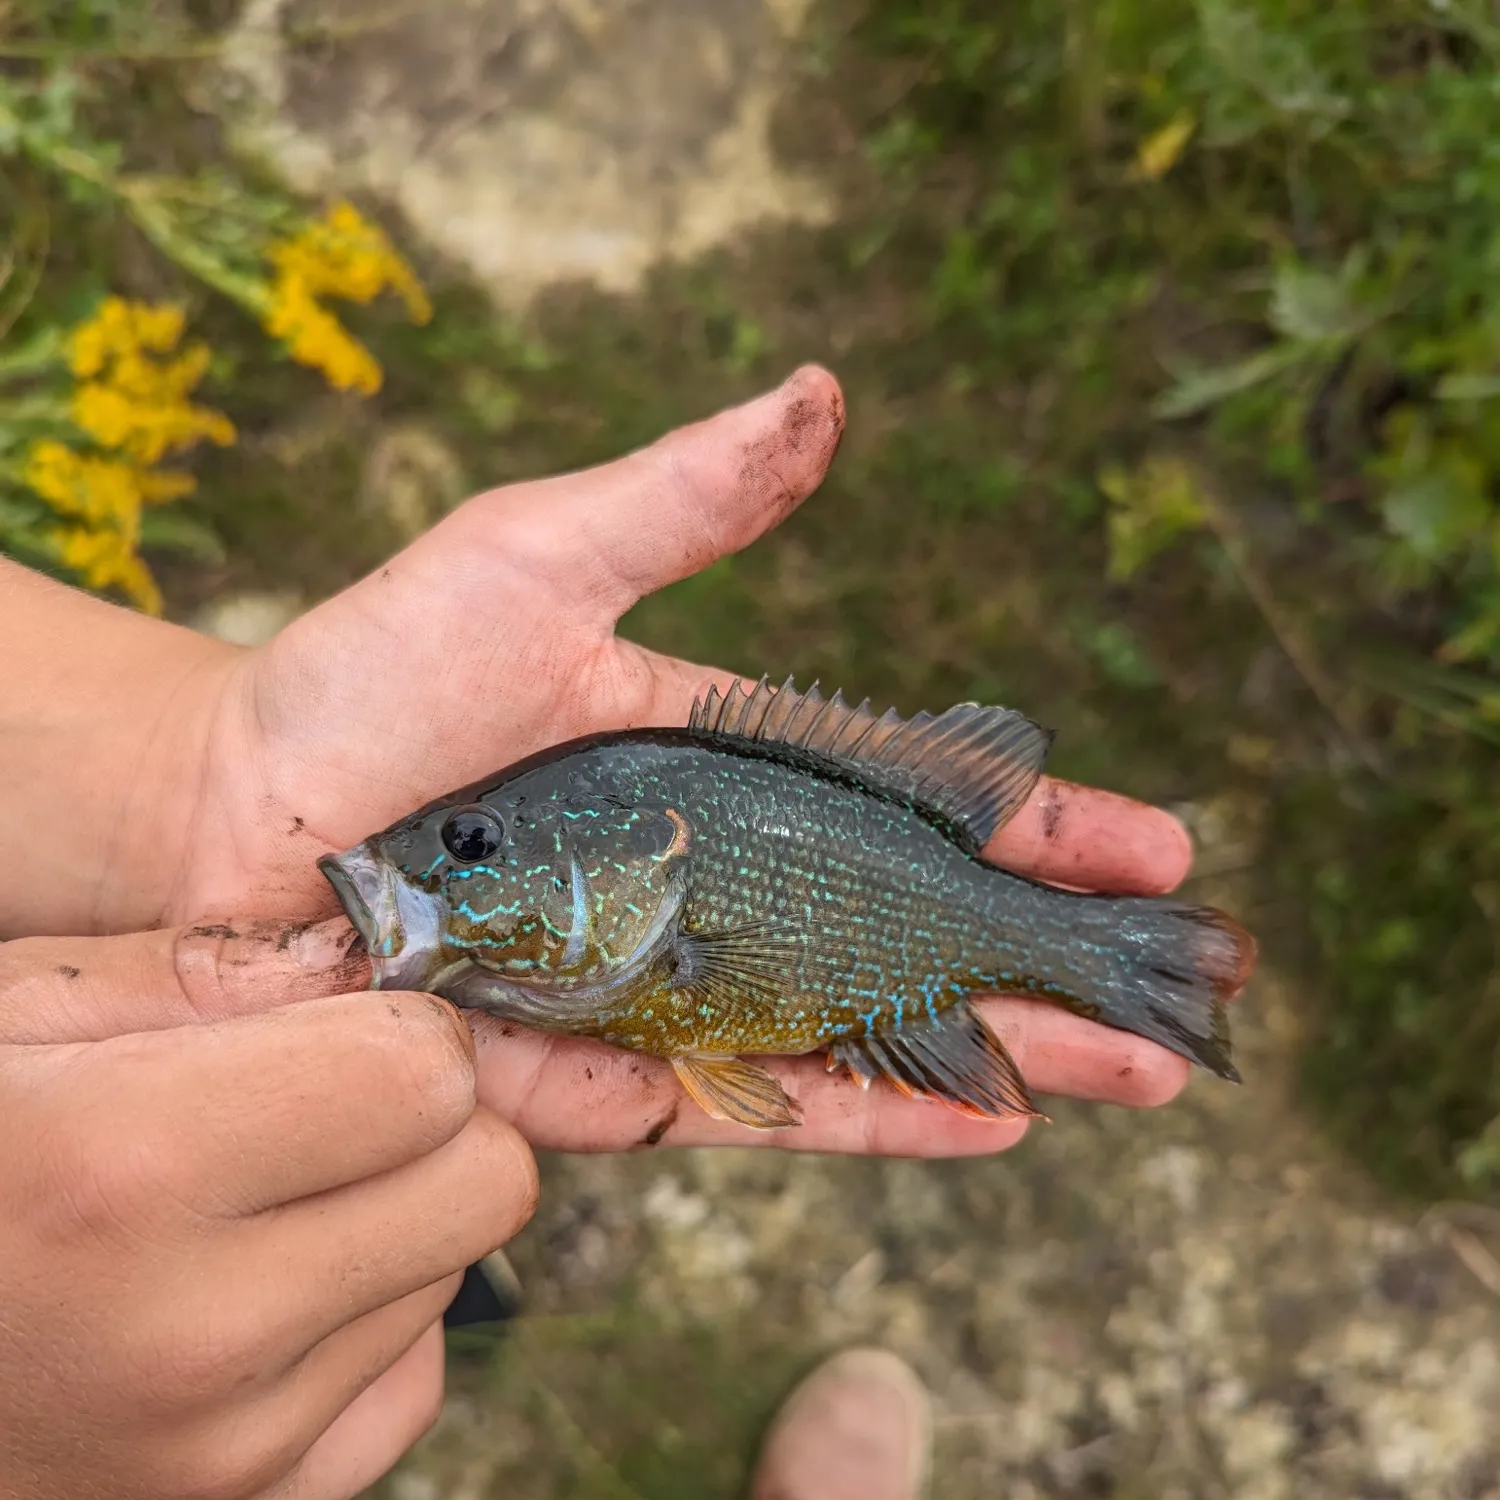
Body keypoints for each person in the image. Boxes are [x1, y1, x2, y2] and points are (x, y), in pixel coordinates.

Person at [0, 367, 1199, 1499]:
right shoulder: (614, 928)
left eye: (468, 845)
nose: (408, 865)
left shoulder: (667, 921)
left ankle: (1127, 966)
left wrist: (187, 770)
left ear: (641, 856)